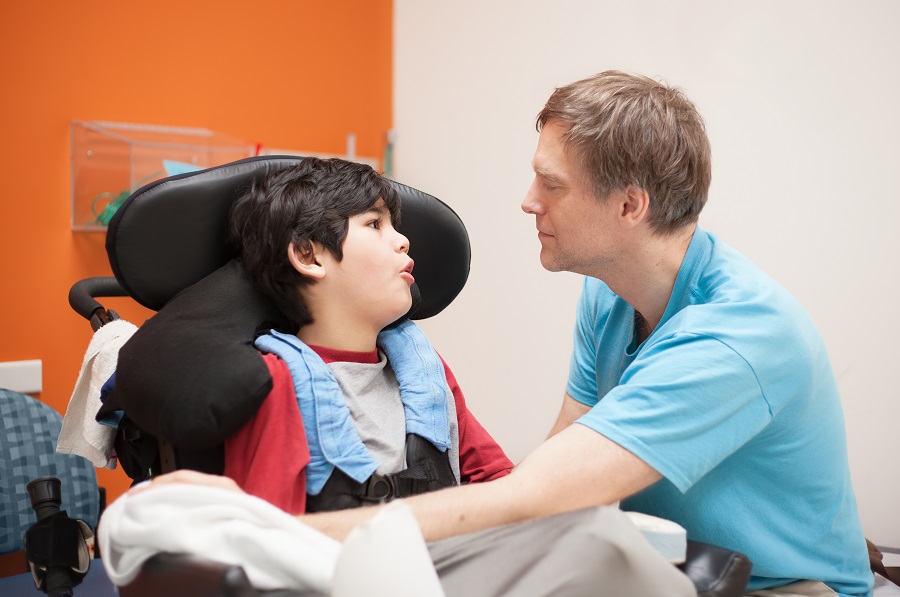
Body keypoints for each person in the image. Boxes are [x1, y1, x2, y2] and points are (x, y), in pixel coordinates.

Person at [151, 72, 874, 597]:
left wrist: (247, 532)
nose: (528, 201)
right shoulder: (609, 297)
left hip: (779, 588)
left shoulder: (738, 336)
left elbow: (535, 495)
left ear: (628, 206)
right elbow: (548, 478)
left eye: (551, 184)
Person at [221, 157, 514, 513]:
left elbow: (501, 486)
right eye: (374, 224)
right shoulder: (276, 383)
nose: (403, 241)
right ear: (308, 255)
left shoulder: (425, 372)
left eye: (394, 225)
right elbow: (269, 537)